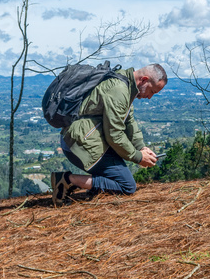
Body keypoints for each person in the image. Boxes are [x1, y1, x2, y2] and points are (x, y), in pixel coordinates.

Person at [51, 63, 167, 205]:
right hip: (80, 142)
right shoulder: (119, 89)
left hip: (84, 139)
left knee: (118, 168)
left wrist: (141, 147)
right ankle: (67, 180)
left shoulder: (125, 84)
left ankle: (96, 188)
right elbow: (115, 134)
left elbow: (128, 121)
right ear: (144, 80)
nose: (150, 97)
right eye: (152, 91)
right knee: (127, 186)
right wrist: (138, 157)